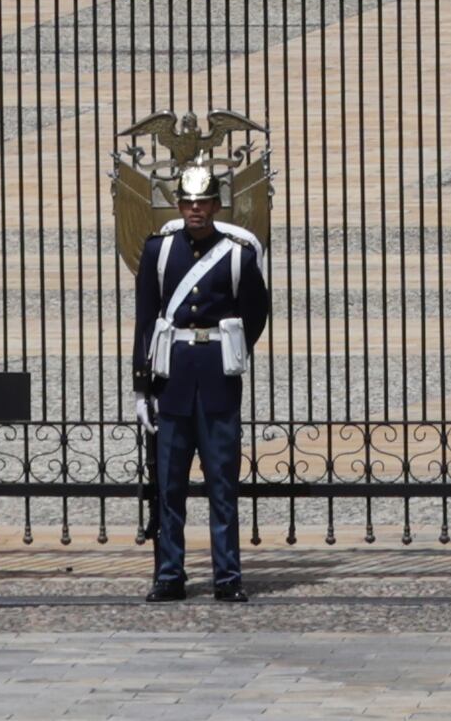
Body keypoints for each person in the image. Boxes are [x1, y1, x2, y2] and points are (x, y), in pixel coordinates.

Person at [130, 159, 273, 602]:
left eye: (203, 203)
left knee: (222, 485)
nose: (196, 210)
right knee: (169, 486)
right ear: (180, 205)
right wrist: (140, 384)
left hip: (216, 378)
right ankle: (169, 574)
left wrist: (230, 348)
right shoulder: (158, 252)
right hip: (172, 379)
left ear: (215, 205)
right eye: (189, 203)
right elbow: (145, 320)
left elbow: (255, 312)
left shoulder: (237, 253)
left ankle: (227, 576)